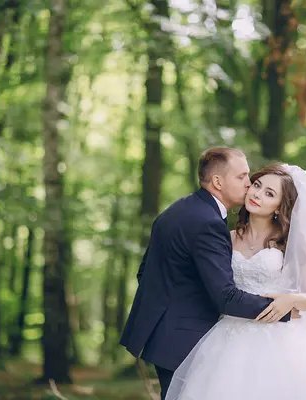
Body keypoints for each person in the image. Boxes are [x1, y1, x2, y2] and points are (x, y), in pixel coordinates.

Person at [165, 163, 306, 400]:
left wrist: (290, 300)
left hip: (282, 336)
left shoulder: (290, 244)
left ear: (278, 207)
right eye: (257, 185)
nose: (257, 194)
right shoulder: (226, 237)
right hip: (229, 336)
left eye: (269, 194)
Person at [119, 148, 294, 400]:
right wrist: (282, 309)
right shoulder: (208, 223)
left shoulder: (178, 210)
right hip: (185, 340)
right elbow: (225, 297)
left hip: (165, 336)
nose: (248, 184)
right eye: (242, 177)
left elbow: (144, 273)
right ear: (218, 182)